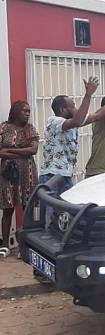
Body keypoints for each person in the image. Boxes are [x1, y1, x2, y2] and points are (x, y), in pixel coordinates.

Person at [39, 77, 105, 194]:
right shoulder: (54, 121)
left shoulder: (73, 121)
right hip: (52, 176)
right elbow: (77, 121)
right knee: (50, 211)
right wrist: (88, 95)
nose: (76, 109)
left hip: (65, 175)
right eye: (72, 106)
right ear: (63, 110)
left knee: (68, 211)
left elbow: (98, 115)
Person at [0, 101, 39, 249]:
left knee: (27, 206)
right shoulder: (4, 128)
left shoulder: (30, 129)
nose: (28, 114)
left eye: (29, 111)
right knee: (8, 207)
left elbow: (33, 150)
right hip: (7, 174)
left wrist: (10, 151)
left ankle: (27, 244)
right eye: (24, 111)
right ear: (16, 112)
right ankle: (4, 245)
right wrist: (22, 150)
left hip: (27, 172)